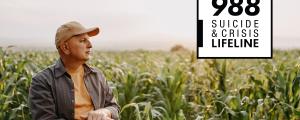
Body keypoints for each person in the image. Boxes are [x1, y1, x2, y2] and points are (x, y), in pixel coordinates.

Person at [29, 21, 120, 120]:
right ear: (65, 47)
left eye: (88, 40)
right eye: (82, 40)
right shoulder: (42, 81)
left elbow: (114, 107)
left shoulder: (97, 75)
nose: (90, 45)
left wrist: (104, 111)